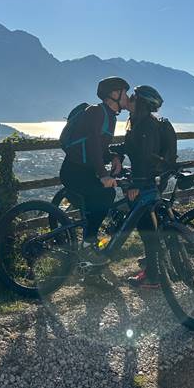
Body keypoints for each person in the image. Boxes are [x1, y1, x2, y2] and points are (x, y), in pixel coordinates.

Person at [110, 85, 177, 288]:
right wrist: (114, 152)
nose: (129, 98)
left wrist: (135, 185)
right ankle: (154, 266)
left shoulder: (145, 126)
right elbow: (132, 148)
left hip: (146, 182)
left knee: (146, 228)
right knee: (150, 226)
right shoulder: (140, 123)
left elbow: (144, 159)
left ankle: (153, 276)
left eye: (133, 96)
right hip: (154, 179)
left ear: (140, 102)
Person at [59, 76, 130, 267]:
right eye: (125, 92)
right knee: (105, 193)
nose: (128, 97)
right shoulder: (97, 112)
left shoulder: (109, 116)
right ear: (114, 94)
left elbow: (100, 148)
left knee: (104, 195)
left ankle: (89, 243)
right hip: (74, 171)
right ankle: (88, 244)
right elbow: (92, 144)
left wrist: (114, 157)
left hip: (85, 171)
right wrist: (103, 174)